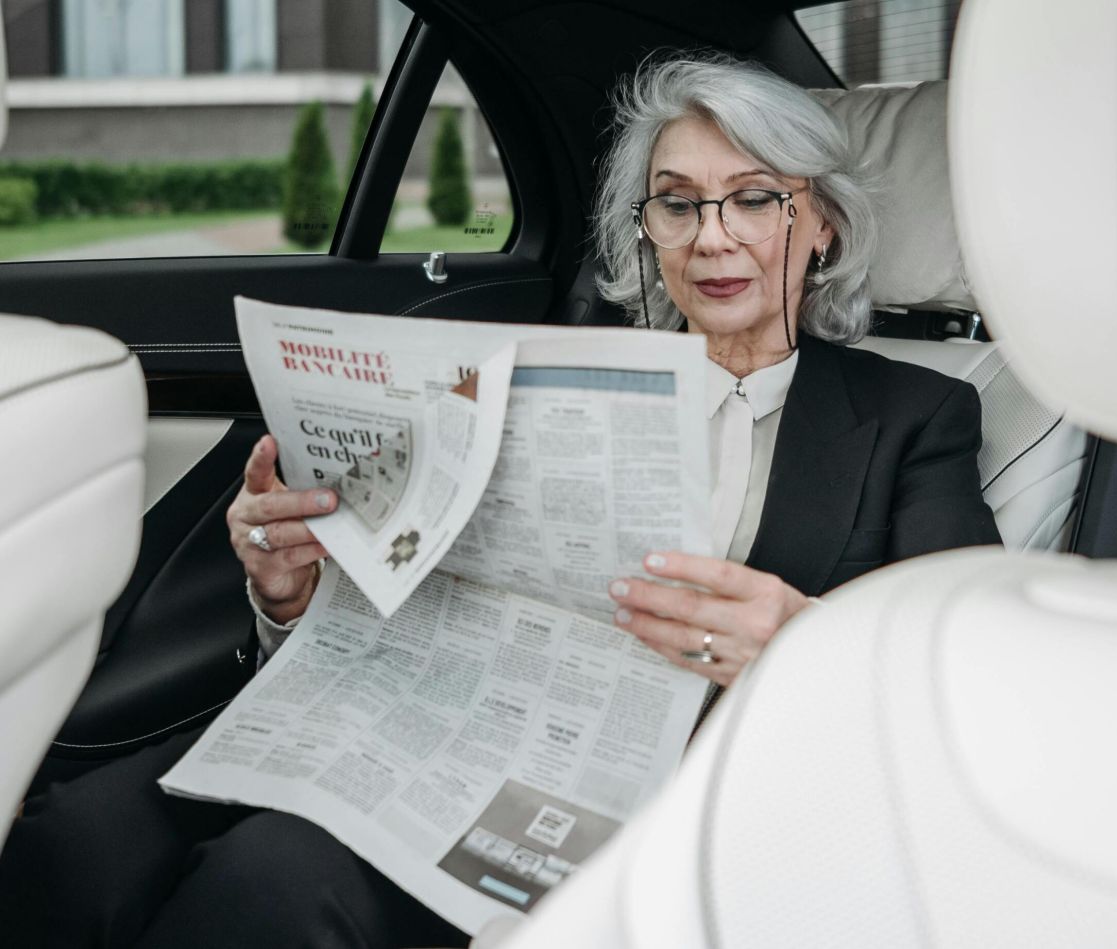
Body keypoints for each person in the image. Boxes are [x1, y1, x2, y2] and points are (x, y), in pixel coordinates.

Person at [0, 55, 1001, 948]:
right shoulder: (532, 379)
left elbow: (964, 679)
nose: (714, 238)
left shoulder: (919, 416)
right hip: (401, 715)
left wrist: (797, 636)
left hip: (611, 788)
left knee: (275, 882)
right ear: (645, 229)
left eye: (754, 199)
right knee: (74, 839)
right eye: (678, 203)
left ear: (820, 222)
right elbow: (425, 589)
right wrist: (289, 592)